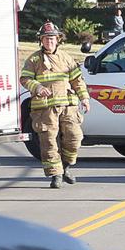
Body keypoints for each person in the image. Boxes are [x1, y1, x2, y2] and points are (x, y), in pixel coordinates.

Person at [19, 21, 90, 190]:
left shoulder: (66, 57)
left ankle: (66, 167)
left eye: (52, 38)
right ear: (41, 41)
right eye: (46, 38)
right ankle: (56, 175)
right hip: (45, 110)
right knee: (49, 142)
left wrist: (84, 98)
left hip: (68, 106)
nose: (49, 41)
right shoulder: (34, 59)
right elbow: (25, 79)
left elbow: (77, 80)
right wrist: (37, 87)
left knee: (74, 138)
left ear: (58, 39)